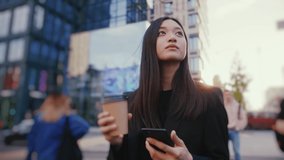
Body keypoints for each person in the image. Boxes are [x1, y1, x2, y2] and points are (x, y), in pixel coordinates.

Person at [98, 17, 229, 160]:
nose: (172, 37)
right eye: (162, 33)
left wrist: (189, 159)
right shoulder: (130, 103)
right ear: (149, 43)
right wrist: (117, 144)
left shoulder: (209, 98)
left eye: (179, 34)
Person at [26, 92, 90, 160]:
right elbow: (84, 127)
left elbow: (31, 141)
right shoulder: (66, 119)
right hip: (61, 155)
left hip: (42, 156)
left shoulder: (40, 119)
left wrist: (29, 156)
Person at [223, 90, 247, 160]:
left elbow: (244, 119)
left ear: (232, 95)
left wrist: (238, 127)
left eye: (229, 95)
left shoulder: (237, 106)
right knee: (224, 151)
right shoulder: (222, 105)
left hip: (234, 131)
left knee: (237, 151)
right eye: (226, 95)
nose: (227, 96)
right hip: (225, 131)